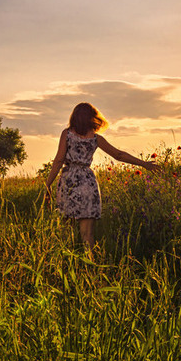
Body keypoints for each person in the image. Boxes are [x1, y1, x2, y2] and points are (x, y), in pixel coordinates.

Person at [45, 102, 158, 250]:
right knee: (87, 235)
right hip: (87, 183)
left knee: (67, 232)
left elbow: (59, 160)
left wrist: (47, 185)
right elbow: (119, 155)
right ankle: (90, 268)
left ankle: (69, 267)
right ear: (92, 118)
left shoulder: (67, 134)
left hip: (69, 183)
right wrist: (144, 164)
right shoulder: (96, 139)